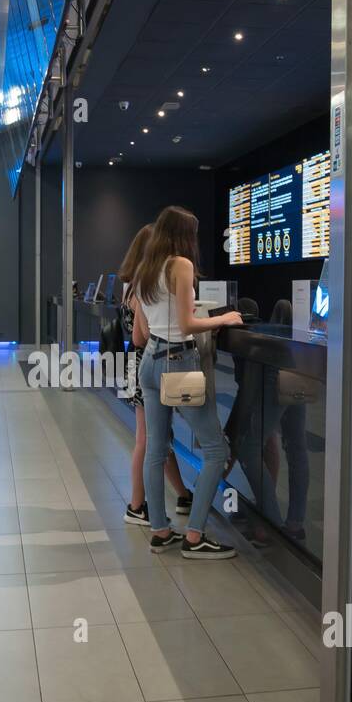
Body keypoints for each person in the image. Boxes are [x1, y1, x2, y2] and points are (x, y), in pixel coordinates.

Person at [130, 205, 243, 559]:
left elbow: (144, 331)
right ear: (182, 235)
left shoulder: (144, 269)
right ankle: (195, 535)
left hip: (149, 362)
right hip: (177, 361)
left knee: (156, 447)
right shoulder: (180, 265)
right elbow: (188, 324)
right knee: (215, 450)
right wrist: (224, 318)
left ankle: (160, 532)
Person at [117, 224, 192, 526]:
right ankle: (137, 505)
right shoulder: (143, 288)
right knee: (147, 439)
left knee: (160, 436)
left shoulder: (133, 285)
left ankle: (183, 494)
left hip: (137, 366)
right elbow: (140, 337)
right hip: (148, 363)